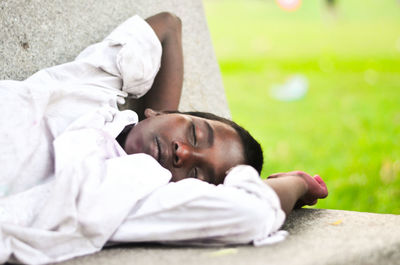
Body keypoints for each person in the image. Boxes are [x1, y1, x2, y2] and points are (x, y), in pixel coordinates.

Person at [0, 12, 328, 264]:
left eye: (198, 175)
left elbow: (254, 211)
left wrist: (298, 183)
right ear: (157, 112)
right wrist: (160, 118)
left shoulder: (131, 197)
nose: (183, 153)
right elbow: (169, 26)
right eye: (195, 134)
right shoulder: (93, 92)